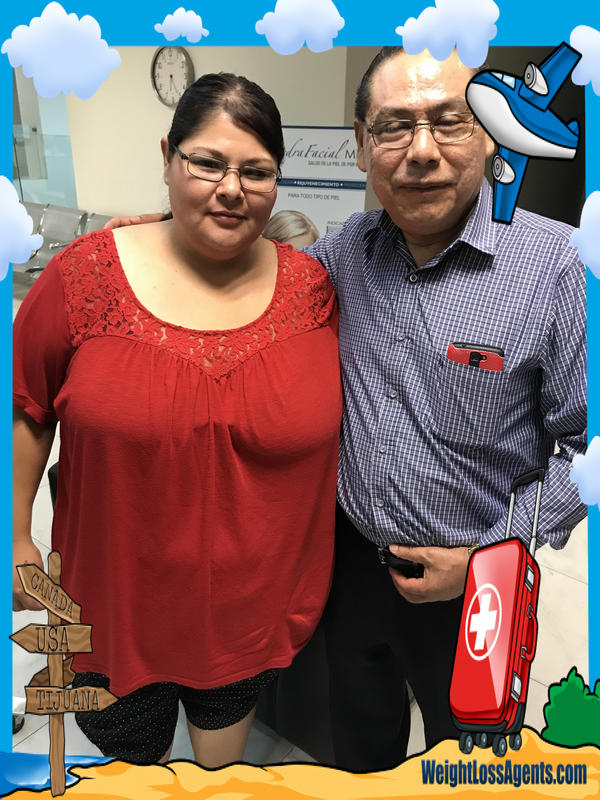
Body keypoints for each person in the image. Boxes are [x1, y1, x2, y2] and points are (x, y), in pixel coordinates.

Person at [105, 47, 587, 772]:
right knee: (361, 751)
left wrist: (492, 555)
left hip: (476, 580)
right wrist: (167, 239)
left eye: (449, 122)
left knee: (475, 765)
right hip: (349, 567)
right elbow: (249, 271)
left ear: (489, 134)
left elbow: (586, 448)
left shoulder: (559, 268)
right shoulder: (342, 256)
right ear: (362, 146)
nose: (421, 150)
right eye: (394, 127)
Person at [13, 72, 342, 767]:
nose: (232, 188)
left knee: (216, 774)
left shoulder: (313, 289)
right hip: (112, 608)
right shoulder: (82, 277)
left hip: (248, 615)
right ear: (168, 157)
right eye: (207, 163)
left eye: (257, 171)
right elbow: (27, 404)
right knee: (127, 770)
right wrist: (16, 535)